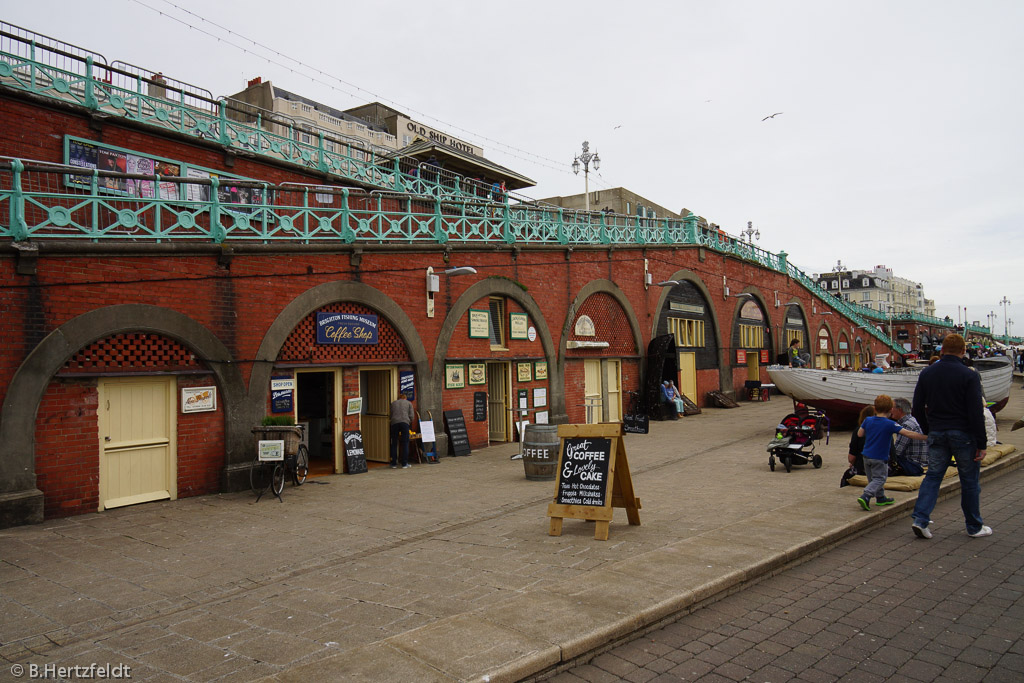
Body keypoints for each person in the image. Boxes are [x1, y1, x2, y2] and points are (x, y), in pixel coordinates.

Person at [910, 333, 991, 538]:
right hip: (963, 434)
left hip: (937, 432)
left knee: (933, 476)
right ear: (964, 351)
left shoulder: (927, 373)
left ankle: (921, 520)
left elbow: (917, 408)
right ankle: (974, 526)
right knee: (969, 480)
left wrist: (929, 429)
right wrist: (982, 442)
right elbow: (975, 411)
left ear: (942, 350)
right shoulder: (969, 375)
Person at [855, 394, 928, 510]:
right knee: (880, 479)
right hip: (880, 457)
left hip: (866, 456)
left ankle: (880, 497)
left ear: (875, 408)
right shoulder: (890, 424)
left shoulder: (868, 420)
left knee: (872, 479)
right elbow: (908, 433)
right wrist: (926, 437)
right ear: (890, 410)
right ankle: (866, 496)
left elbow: (860, 434)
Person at [890, 397, 928, 472]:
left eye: (892, 407)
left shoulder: (906, 425)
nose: (890, 410)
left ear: (899, 410)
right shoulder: (914, 420)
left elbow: (897, 452)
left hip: (912, 463)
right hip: (922, 461)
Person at [847, 405, 875, 476]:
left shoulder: (858, 431)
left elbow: (851, 457)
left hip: (863, 466)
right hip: (883, 466)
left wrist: (853, 464)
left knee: (847, 476)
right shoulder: (885, 429)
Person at [389, 392, 415, 469]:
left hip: (394, 423)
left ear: (398, 398)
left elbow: (391, 414)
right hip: (404, 423)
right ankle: (404, 463)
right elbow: (411, 416)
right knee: (405, 443)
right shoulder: (409, 403)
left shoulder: (393, 403)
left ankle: (393, 463)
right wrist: (409, 422)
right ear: (405, 398)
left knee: (394, 443)